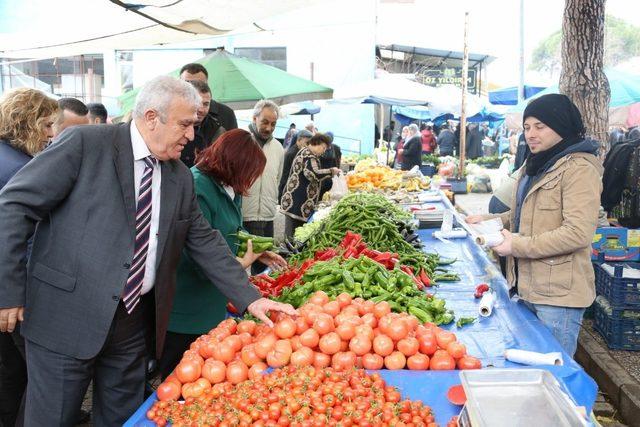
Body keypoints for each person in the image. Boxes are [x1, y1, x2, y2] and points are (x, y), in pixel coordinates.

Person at [0, 76, 296, 426]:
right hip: (66, 316)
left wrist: (252, 298)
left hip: (132, 324)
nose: (190, 136)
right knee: (49, 419)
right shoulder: (85, 143)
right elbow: (14, 206)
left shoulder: (179, 176)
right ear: (152, 117)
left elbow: (203, 240)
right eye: (185, 124)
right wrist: (9, 290)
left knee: (122, 417)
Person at [466, 93, 603, 357]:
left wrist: (515, 244)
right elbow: (522, 216)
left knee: (553, 372)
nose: (531, 134)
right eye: (527, 127)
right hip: (528, 286)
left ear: (561, 126)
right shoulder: (537, 164)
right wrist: (488, 221)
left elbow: (578, 233)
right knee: (531, 364)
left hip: (558, 296)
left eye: (540, 126)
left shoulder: (579, 169)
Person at [158, 129, 287, 379]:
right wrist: (240, 264)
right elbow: (198, 249)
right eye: (249, 172)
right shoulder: (197, 186)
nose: (250, 180)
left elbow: (232, 231)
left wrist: (257, 251)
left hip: (213, 300)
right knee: (181, 373)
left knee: (208, 373)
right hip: (187, 303)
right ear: (232, 163)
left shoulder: (230, 186)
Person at [0, 88, 58, 427]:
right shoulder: (21, 168)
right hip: (15, 291)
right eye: (46, 125)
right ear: (26, 122)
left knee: (8, 370)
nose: (51, 135)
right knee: (30, 374)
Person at [243, 100, 284, 275]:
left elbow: (278, 178)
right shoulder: (241, 141)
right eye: (265, 122)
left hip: (266, 215)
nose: (269, 128)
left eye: (273, 124)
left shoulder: (278, 148)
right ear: (254, 118)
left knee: (262, 266)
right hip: (243, 214)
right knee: (240, 263)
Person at [281, 133, 340, 238]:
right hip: (296, 202)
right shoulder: (309, 155)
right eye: (324, 147)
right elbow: (313, 173)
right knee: (293, 234)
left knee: (296, 233)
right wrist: (331, 171)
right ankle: (289, 252)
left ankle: (290, 250)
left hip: (297, 201)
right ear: (317, 143)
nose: (324, 151)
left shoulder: (307, 152)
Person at [179, 62, 237, 133]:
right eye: (188, 84)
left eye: (199, 83)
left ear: (207, 84)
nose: (194, 88)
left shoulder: (226, 114)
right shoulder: (169, 111)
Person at [180, 80, 220, 168]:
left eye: (206, 104)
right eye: (197, 103)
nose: (201, 109)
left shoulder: (217, 130)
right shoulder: (171, 126)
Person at [279, 129, 312, 201]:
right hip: (286, 188)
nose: (308, 146)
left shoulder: (298, 151)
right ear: (299, 140)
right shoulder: (293, 153)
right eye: (307, 143)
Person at [319, 131, 342, 200]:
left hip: (331, 175)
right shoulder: (321, 148)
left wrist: (337, 171)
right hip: (323, 175)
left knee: (330, 194)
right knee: (323, 194)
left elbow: (338, 160)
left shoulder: (335, 148)